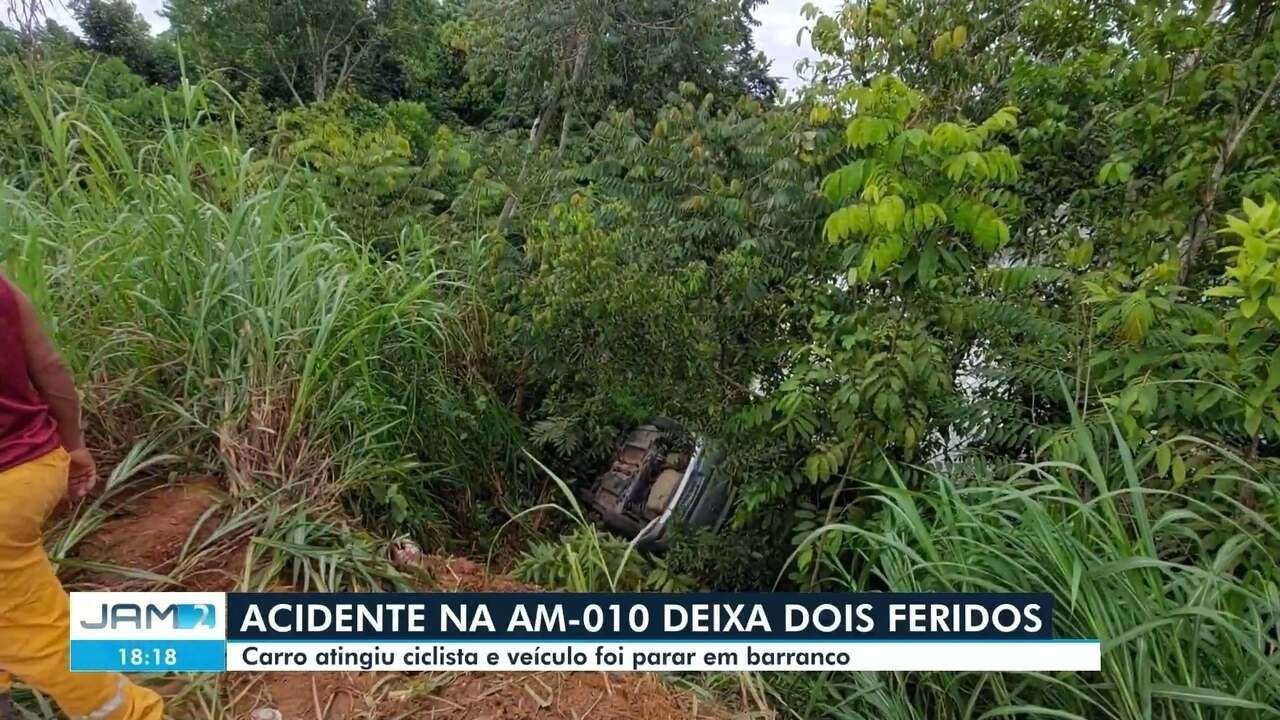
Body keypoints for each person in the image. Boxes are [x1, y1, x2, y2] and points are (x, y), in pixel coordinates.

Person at [0, 273, 163, 719]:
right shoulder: (3, 287)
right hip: (33, 465)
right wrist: (73, 444)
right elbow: (50, 369)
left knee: (42, 635)